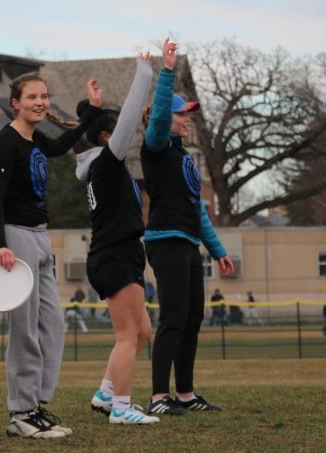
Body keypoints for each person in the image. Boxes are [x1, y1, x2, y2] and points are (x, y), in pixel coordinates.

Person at [0, 71, 86, 439]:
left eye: (44, 96)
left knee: (53, 324)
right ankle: (21, 413)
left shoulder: (37, 139)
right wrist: (0, 245)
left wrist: (87, 115)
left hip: (39, 237)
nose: (40, 102)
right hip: (13, 237)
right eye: (32, 97)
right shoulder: (6, 143)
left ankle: (36, 405)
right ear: (15, 102)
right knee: (24, 330)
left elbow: (59, 148)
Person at [141, 39, 234, 416]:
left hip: (189, 242)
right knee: (174, 317)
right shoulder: (156, 146)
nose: (187, 118)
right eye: (184, 114)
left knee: (193, 318)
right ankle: (158, 397)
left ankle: (185, 394)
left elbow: (198, 212)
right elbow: (161, 115)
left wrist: (219, 250)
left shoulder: (186, 160)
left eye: (190, 114)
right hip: (166, 241)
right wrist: (167, 71)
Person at [75, 52, 159, 425]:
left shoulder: (100, 162)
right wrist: (143, 73)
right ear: (107, 138)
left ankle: (107, 394)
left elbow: (102, 130)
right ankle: (122, 409)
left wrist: (92, 108)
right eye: (115, 134)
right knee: (128, 336)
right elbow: (126, 120)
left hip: (118, 251)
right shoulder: (106, 163)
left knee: (142, 331)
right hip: (114, 254)